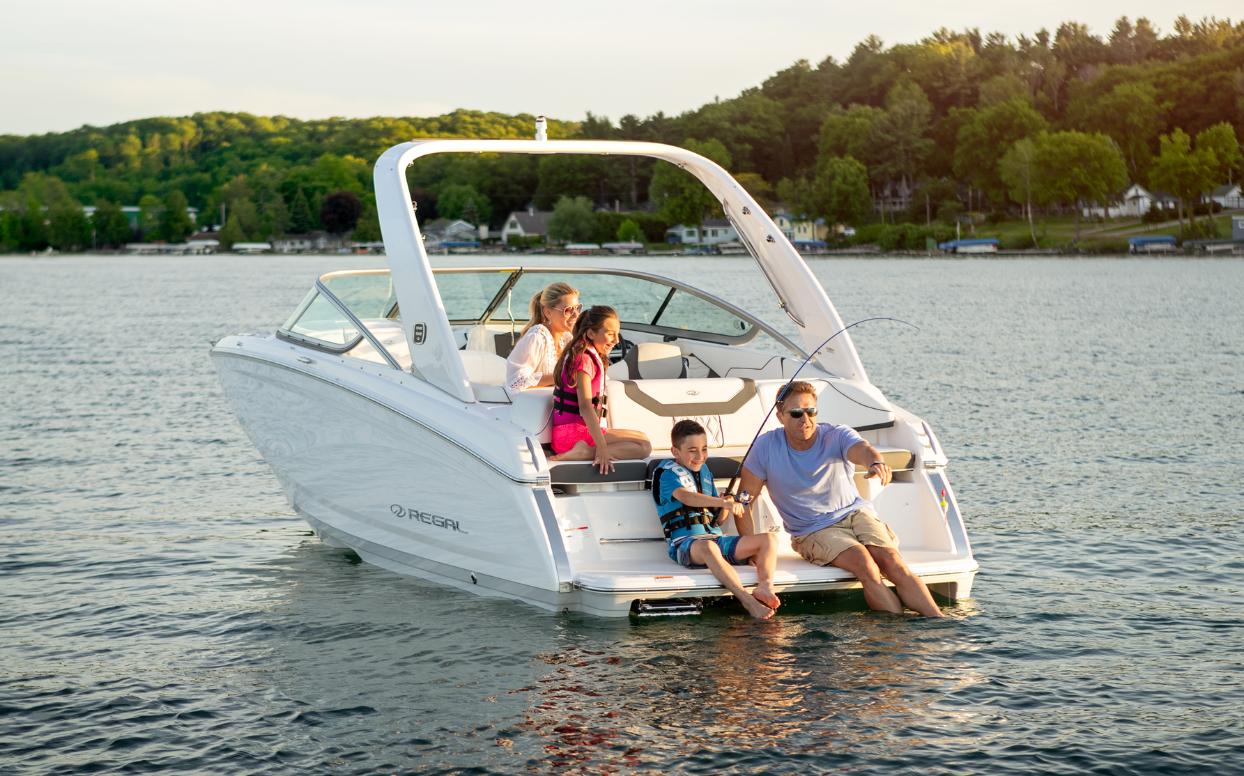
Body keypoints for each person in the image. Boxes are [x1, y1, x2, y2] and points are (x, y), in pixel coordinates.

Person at [737, 380, 943, 617]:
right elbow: (744, 502)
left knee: (891, 561)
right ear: (780, 416)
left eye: (810, 411)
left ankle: (940, 624)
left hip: (856, 513)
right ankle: (895, 638)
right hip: (812, 530)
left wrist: (875, 462)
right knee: (865, 565)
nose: (805, 419)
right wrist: (751, 547)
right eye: (796, 413)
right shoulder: (765, 447)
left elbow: (863, 450)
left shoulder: (836, 434)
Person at [654, 420, 782, 620]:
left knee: (769, 539)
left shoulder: (705, 474)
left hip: (715, 540)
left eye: (704, 449)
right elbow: (687, 497)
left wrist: (726, 502)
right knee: (709, 547)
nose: (700, 456)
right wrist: (725, 504)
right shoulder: (666, 475)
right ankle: (747, 601)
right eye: (692, 450)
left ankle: (765, 586)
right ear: (675, 452)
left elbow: (719, 521)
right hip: (685, 545)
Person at [548, 305, 651, 472]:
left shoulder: (582, 353)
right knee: (644, 447)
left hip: (573, 432)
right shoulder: (584, 359)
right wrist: (602, 448)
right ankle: (585, 453)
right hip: (572, 435)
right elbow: (586, 406)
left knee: (642, 437)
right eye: (610, 334)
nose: (616, 340)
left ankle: (586, 449)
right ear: (590, 333)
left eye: (618, 334)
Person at [505, 282, 580, 392]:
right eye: (569, 310)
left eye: (578, 308)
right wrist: (561, 377)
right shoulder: (536, 337)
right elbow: (516, 381)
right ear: (548, 312)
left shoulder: (568, 338)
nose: (576, 315)